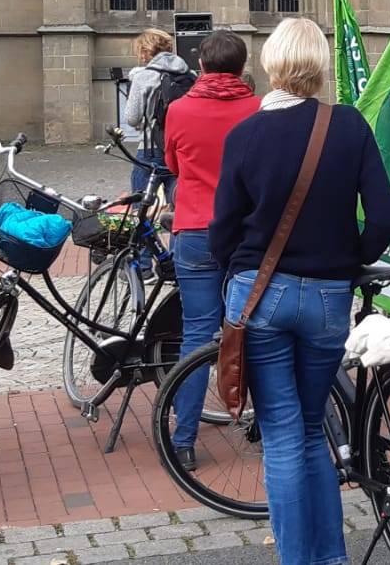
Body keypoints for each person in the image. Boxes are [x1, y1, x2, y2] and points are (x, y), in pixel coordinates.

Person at [207, 18, 390, 565]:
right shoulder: (349, 125)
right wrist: (351, 255)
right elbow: (384, 214)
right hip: (327, 298)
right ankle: (330, 557)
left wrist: (233, 268)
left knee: (284, 434)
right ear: (319, 66)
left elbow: (223, 227)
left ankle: (299, 559)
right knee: (313, 428)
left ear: (272, 65)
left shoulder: (245, 135)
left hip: (260, 297)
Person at [162, 30, 260, 469]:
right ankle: (265, 426)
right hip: (246, 234)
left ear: (200, 65)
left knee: (196, 336)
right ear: (242, 67)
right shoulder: (258, 109)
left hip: (196, 230)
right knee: (255, 330)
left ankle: (184, 440)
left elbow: (173, 166)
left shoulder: (179, 109)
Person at [122, 28, 193, 197]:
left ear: (146, 51)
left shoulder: (143, 77)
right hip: (180, 148)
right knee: (176, 204)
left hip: (151, 149)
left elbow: (132, 118)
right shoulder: (188, 74)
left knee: (140, 207)